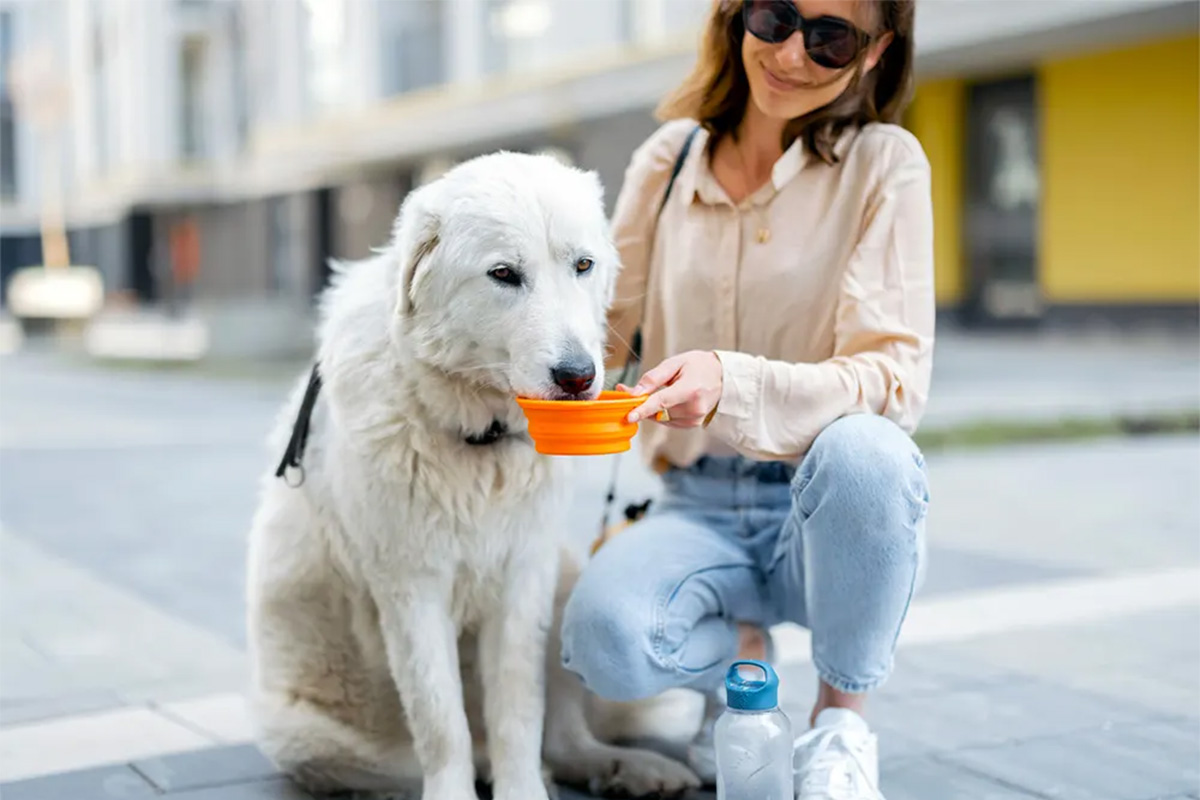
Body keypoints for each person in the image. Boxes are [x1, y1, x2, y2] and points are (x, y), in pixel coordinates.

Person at [558, 1, 933, 797]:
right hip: (694, 504)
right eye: (775, 15)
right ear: (737, 15)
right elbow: (601, 327)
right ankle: (745, 670)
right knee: (603, 641)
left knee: (869, 449)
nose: (792, 53)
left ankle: (840, 726)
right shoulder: (668, 159)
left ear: (874, 54)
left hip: (821, 506)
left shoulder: (885, 164)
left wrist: (734, 382)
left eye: (830, 37)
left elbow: (892, 378)